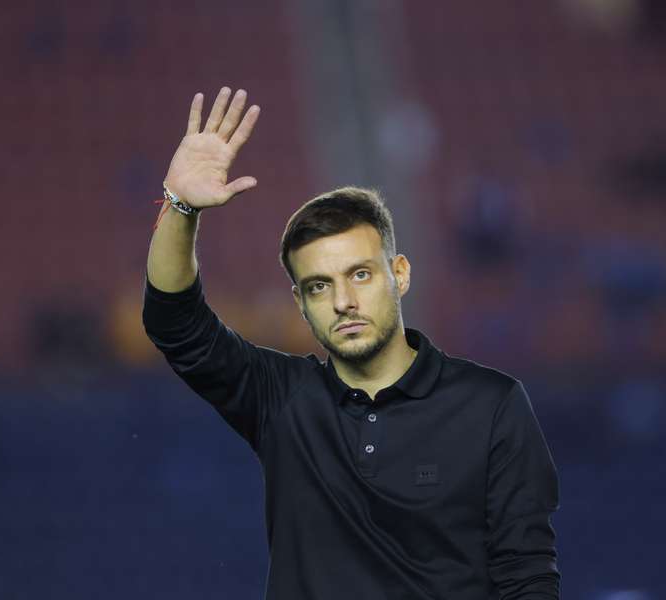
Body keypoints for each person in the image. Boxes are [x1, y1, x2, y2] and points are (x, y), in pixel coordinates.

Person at [142, 87, 561, 600]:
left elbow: (528, 578)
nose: (343, 300)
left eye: (360, 274)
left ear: (399, 274)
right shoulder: (282, 400)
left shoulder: (490, 403)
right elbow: (175, 323)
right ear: (300, 301)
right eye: (319, 285)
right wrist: (180, 205)